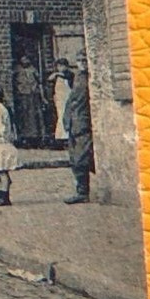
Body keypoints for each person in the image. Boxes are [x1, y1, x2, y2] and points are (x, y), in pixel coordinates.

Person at [64, 55, 95, 204]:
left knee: (81, 158)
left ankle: (83, 192)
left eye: (85, 61)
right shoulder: (77, 77)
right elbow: (72, 101)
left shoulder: (91, 78)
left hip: (83, 123)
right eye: (79, 61)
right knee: (75, 158)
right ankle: (81, 190)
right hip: (73, 123)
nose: (82, 64)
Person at [12, 55, 46, 147]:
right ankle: (25, 137)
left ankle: (36, 137)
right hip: (23, 96)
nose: (25, 61)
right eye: (23, 59)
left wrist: (41, 96)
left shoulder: (33, 70)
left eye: (26, 59)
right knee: (24, 117)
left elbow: (39, 82)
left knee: (34, 117)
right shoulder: (17, 70)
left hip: (33, 95)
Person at [49, 58, 75, 147]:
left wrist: (57, 74)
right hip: (60, 100)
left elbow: (68, 78)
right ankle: (60, 137)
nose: (60, 68)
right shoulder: (57, 77)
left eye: (62, 66)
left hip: (67, 98)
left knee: (66, 116)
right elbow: (50, 80)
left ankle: (67, 136)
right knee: (60, 116)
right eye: (59, 66)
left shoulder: (69, 75)